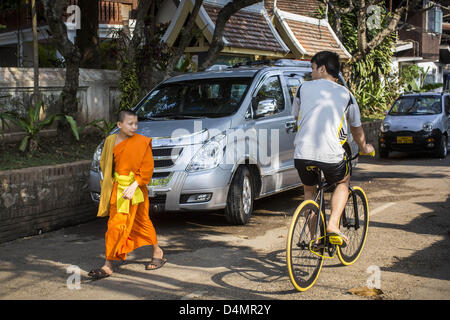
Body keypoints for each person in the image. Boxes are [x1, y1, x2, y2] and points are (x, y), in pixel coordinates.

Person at [291, 51, 374, 246]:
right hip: (330, 153)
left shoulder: (302, 89)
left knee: (309, 193)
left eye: (312, 68)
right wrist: (365, 147)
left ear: (322, 68)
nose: (311, 73)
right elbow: (356, 128)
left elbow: (297, 118)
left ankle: (314, 240)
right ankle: (333, 225)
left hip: (302, 154)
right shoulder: (346, 94)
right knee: (342, 183)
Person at [88, 110, 166, 280]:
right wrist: (109, 185)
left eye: (136, 124)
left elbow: (147, 168)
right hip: (119, 189)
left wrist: (135, 184)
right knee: (116, 225)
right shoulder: (110, 141)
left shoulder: (142, 142)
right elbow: (106, 164)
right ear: (119, 125)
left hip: (136, 189)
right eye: (130, 124)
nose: (134, 127)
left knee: (142, 222)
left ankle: (157, 251)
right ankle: (108, 264)